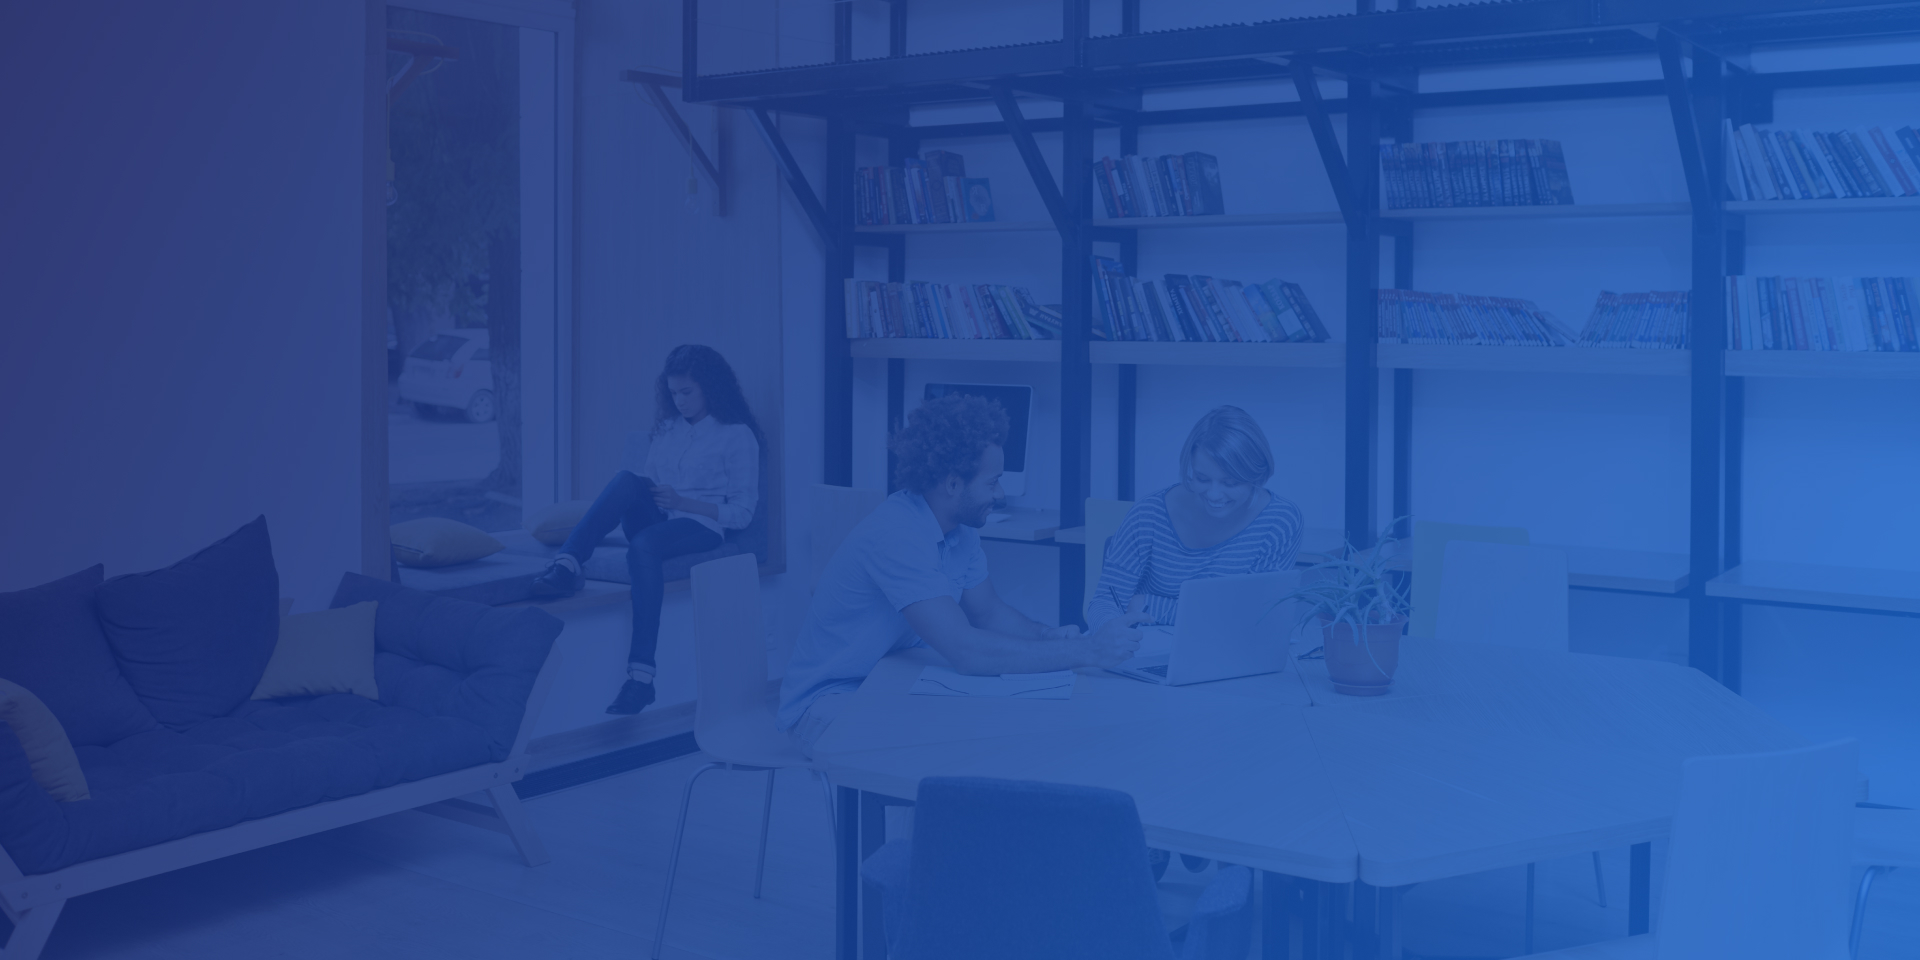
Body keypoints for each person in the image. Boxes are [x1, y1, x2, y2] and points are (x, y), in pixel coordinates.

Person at [779, 393, 1146, 756]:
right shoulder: (897, 534)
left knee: (999, 725)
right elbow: (967, 651)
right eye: (992, 482)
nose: (1000, 494)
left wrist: (1047, 636)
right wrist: (1088, 650)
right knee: (957, 742)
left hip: (890, 677)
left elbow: (988, 612)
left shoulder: (960, 530)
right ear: (953, 484)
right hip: (830, 701)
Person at [532, 344, 761, 715]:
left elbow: (743, 513)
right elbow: (648, 481)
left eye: (687, 392)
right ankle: (567, 563)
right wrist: (655, 496)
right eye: (673, 393)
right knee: (627, 479)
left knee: (643, 545)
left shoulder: (737, 435)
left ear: (710, 387)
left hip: (701, 524)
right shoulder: (667, 429)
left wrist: (683, 502)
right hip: (660, 515)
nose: (679, 401)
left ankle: (641, 679)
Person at [1087, 405, 1303, 631]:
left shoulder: (1279, 522)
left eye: (1230, 483)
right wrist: (1108, 632)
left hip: (1227, 645)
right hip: (1144, 643)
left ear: (1256, 477)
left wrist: (1150, 605)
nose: (1214, 494)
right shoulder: (1148, 514)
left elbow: (1255, 615)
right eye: (1202, 479)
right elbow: (1105, 601)